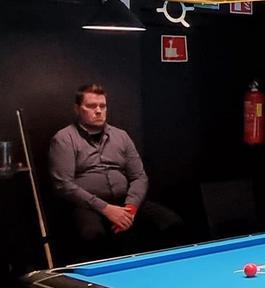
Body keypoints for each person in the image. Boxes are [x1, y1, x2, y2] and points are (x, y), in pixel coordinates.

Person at [48, 84, 182, 260]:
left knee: (171, 222)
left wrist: (130, 208)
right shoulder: (64, 138)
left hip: (126, 201)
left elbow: (139, 176)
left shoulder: (121, 136)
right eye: (91, 106)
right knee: (92, 234)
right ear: (77, 109)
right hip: (87, 205)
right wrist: (106, 209)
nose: (98, 111)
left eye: (102, 106)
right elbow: (63, 185)